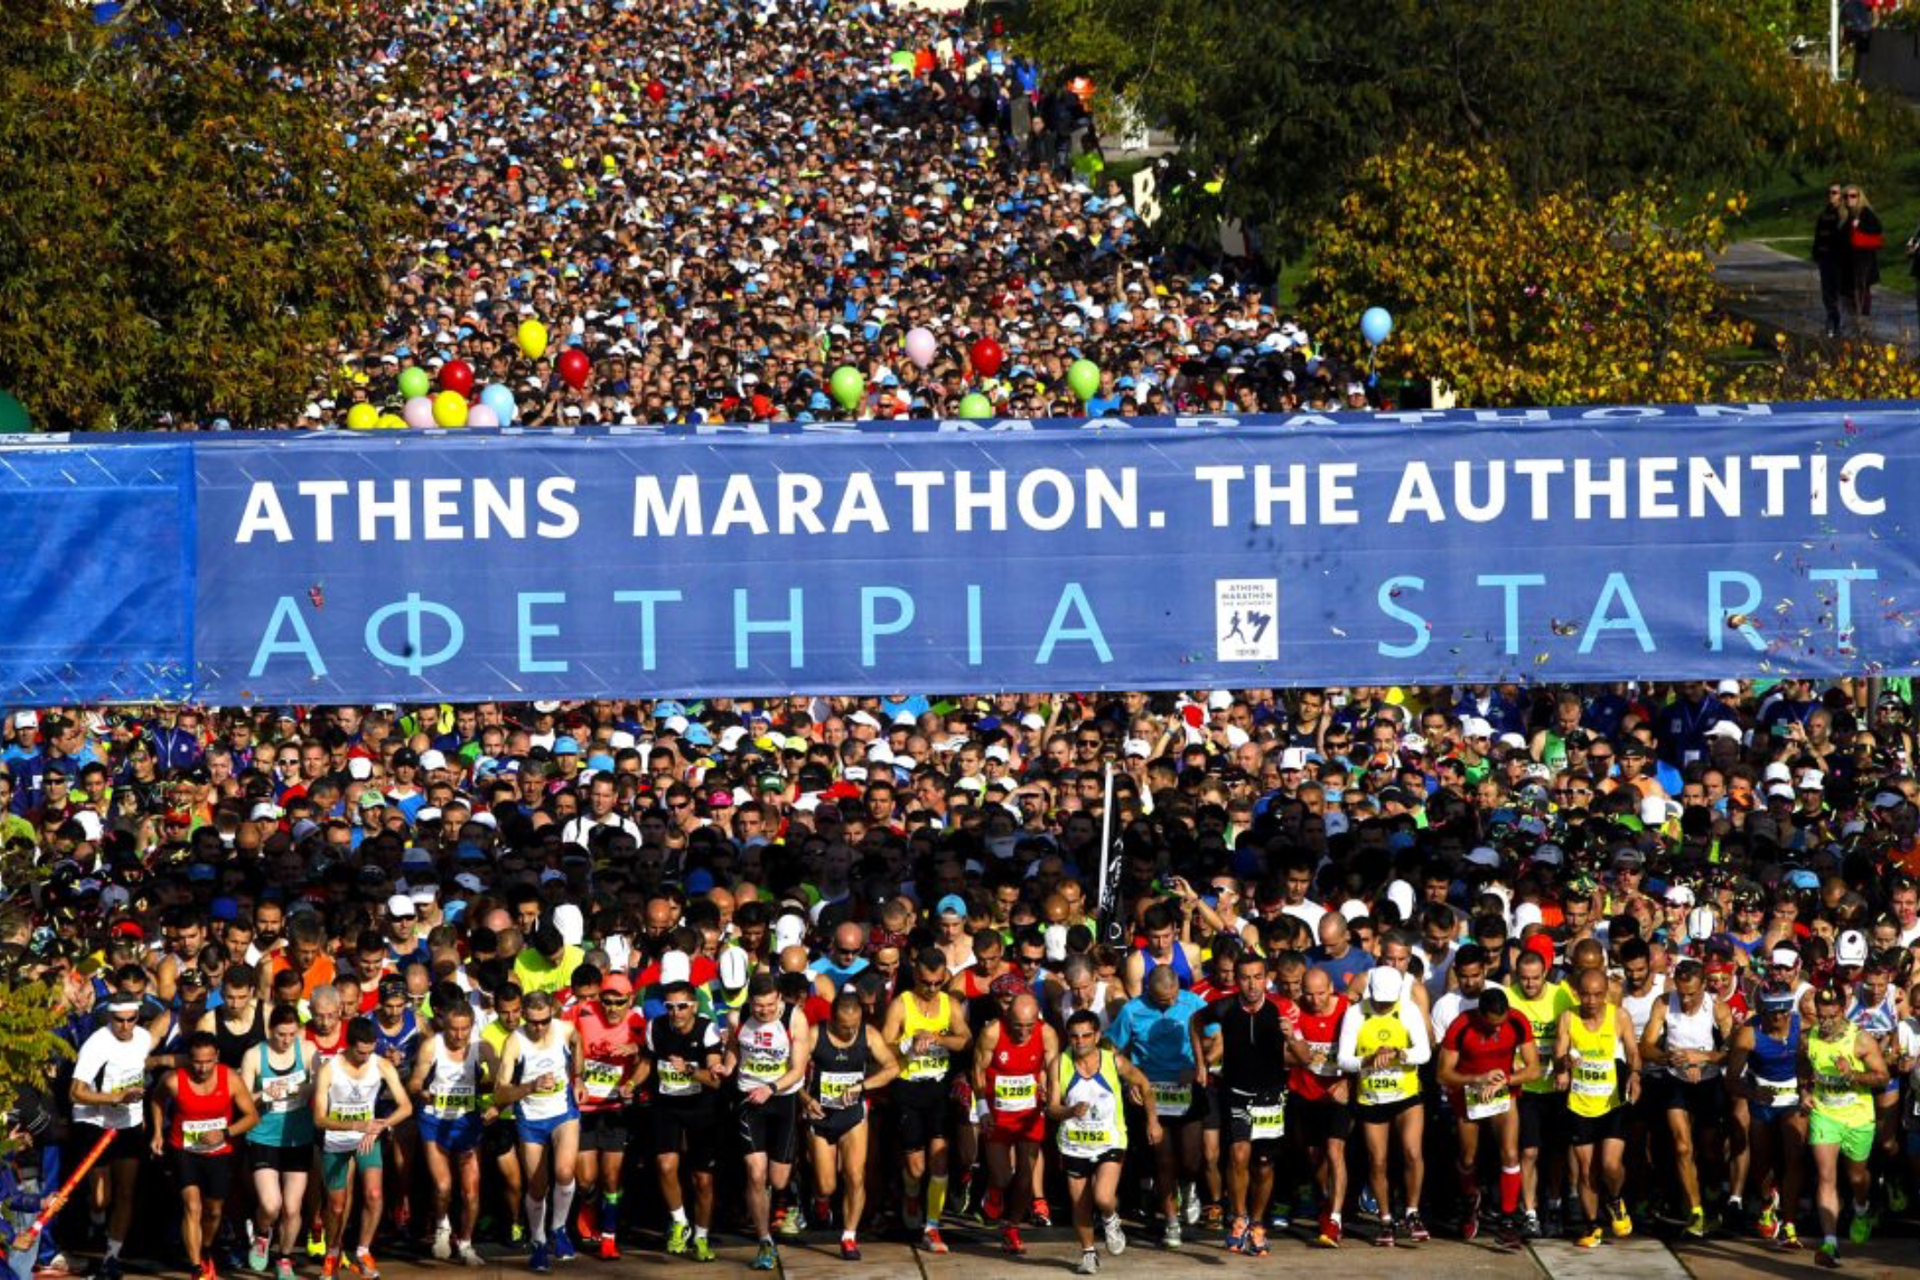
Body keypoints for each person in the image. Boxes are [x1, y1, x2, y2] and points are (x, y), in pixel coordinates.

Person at [1193, 951, 1303, 1257]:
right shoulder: (1225, 1007)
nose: (1252, 984)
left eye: (1258, 977)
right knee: (1239, 1154)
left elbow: (1305, 1058)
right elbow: (1195, 1020)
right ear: (1237, 980)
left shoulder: (1281, 1010)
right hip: (1237, 1093)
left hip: (1271, 1097)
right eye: (1245, 978)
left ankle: (1257, 1223)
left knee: (1264, 1165)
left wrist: (1292, 1038)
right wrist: (1201, 1063)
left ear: (1267, 979)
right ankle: (1238, 1218)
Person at [1049, 1009, 1160, 1276]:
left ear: (1098, 1035)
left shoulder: (1113, 1061)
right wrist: (1069, 1111)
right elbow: (1051, 1108)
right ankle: (1089, 1253)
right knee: (1080, 1205)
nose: (1080, 1041)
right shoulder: (1059, 1063)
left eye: (1086, 1035)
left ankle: (1111, 1218)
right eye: (1074, 1036)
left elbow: (1144, 1084)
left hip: (1110, 1140)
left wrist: (1152, 1120)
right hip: (1074, 1144)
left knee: (1102, 1196)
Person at [880, 946, 971, 1253]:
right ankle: (909, 1192)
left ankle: (932, 1227)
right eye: (925, 983)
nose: (931, 989)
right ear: (915, 977)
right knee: (917, 1169)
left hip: (938, 1089)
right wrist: (908, 1043)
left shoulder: (949, 1004)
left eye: (937, 983)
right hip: (908, 1088)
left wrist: (939, 1039)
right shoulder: (901, 1005)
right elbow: (882, 1047)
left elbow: (965, 1040)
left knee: (940, 1159)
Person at [1107, 964, 1206, 1247]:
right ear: (1148, 989)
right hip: (1152, 1093)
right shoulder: (1131, 1010)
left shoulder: (1195, 1003)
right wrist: (1129, 1083)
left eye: (1174, 997)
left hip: (1186, 1089)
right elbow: (1111, 1048)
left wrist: (1200, 1066)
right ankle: (1172, 1222)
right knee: (1163, 1162)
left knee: (1190, 1160)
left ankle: (1189, 1188)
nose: (1170, 1004)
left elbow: (1216, 1038)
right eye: (1163, 1000)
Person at [149, 1031, 260, 1280]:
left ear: (217, 1057)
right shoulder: (173, 1080)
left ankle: (206, 1249)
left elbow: (252, 1117)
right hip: (183, 1150)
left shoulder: (230, 1079)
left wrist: (224, 1133)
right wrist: (157, 1132)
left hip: (219, 1152)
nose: (202, 1067)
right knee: (192, 1205)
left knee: (214, 1211)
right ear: (190, 1059)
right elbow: (157, 1100)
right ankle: (196, 1268)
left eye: (208, 1061)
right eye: (197, 1061)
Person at [1338, 964, 1434, 1246]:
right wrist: (1367, 1060)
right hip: (1372, 1096)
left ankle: (1413, 1212)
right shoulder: (1356, 1013)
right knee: (1377, 1161)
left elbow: (1425, 1052)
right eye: (1379, 1001)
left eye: (1388, 1001)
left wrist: (1398, 1053)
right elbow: (1343, 1058)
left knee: (1412, 1151)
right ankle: (1385, 1219)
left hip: (1405, 1094)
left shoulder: (1408, 1010)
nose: (1383, 1006)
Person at [1639, 957, 1735, 1238]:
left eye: (1692, 994)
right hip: (1676, 1081)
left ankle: (1713, 1193)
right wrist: (1671, 1057)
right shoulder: (1664, 1003)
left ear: (1704, 986)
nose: (1686, 999)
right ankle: (1695, 1211)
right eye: (1682, 993)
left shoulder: (1717, 1008)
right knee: (1682, 1147)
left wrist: (1702, 1057)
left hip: (1708, 1083)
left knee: (1710, 1150)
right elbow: (1645, 1047)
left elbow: (1732, 1050)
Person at [1436, 986, 1537, 1246]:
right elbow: (1442, 1074)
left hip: (1503, 1093)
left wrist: (1507, 1081)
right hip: (1468, 1095)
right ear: (1480, 1014)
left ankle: (1507, 1220)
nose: (1497, 1031)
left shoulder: (1517, 1021)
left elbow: (1534, 1069)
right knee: (1468, 1158)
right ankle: (1471, 1201)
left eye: (1501, 1025)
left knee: (1511, 1153)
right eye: (1492, 1025)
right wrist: (1476, 1079)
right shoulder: (1461, 1026)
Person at [802, 989, 899, 1260]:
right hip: (820, 1116)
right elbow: (793, 1071)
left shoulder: (868, 1035)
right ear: (832, 1019)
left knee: (856, 1176)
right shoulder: (814, 1034)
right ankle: (820, 1200)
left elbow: (892, 1068)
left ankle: (848, 1236)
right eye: (844, 1027)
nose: (849, 1032)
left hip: (852, 1116)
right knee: (827, 1186)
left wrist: (862, 1087)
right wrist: (805, 1099)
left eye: (854, 1026)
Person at [312, 1017, 411, 1280]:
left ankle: (363, 1250)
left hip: (368, 1139)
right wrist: (356, 1124)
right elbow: (319, 1118)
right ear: (349, 1045)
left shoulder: (381, 1064)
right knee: (335, 1207)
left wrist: (382, 1125)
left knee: (374, 1194)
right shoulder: (329, 1069)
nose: (366, 1057)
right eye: (361, 1052)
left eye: (370, 1051)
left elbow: (405, 1106)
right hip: (335, 1141)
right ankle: (332, 1253)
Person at [725, 973, 812, 1272]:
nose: (764, 1011)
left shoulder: (794, 1018)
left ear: (779, 999)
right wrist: (725, 1066)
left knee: (778, 1179)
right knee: (755, 1172)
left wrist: (771, 1088)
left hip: (782, 1098)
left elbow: (798, 1070)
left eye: (770, 1005)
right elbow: (734, 1049)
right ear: (750, 1001)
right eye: (758, 1006)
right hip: (749, 1099)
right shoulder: (738, 1017)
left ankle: (793, 1195)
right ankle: (764, 1240)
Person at [1801, 983, 1891, 1268]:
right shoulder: (1808, 1038)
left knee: (1855, 1177)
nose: (1825, 1022)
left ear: (1842, 1010)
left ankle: (1862, 1208)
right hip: (1824, 1114)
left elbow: (1883, 1077)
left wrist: (1853, 1075)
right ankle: (1830, 1242)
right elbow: (1802, 1066)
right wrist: (1804, 1092)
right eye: (1821, 1016)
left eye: (1831, 1016)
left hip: (1858, 1117)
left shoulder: (1861, 1040)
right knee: (1827, 1176)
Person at [492, 990, 581, 1273]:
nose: (539, 1027)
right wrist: (530, 1086)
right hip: (530, 1118)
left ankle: (559, 1229)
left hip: (563, 1113)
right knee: (537, 1186)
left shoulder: (565, 1029)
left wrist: (579, 1078)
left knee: (565, 1171)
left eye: (544, 1021)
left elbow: (579, 1044)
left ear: (551, 1015)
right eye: (533, 1022)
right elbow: (499, 1094)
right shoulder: (514, 1042)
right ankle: (539, 1241)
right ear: (523, 1017)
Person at [68, 994, 154, 1280]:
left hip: (128, 1123)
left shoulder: (142, 1037)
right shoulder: (96, 1044)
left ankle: (112, 1256)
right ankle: (95, 1221)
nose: (126, 1026)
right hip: (94, 1121)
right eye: (120, 1020)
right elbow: (75, 1092)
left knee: (126, 1191)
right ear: (109, 1018)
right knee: (102, 1197)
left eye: (132, 1019)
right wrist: (115, 1098)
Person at [1553, 967, 1640, 1250]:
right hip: (1580, 1104)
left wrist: (1635, 1075)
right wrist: (1564, 1065)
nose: (1590, 1001)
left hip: (1611, 1102)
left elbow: (1633, 1052)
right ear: (1577, 993)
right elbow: (1558, 1058)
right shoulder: (1569, 1018)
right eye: (1585, 995)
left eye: (1597, 995)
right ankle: (1592, 1227)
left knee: (1610, 1165)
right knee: (1586, 1169)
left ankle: (1615, 1200)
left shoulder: (1619, 1017)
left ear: (1606, 994)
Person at [406, 998, 493, 1266]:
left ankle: (466, 1243)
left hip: (467, 1122)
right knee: (443, 1186)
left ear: (472, 1026)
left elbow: (501, 1081)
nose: (458, 1035)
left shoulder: (482, 1047)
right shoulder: (433, 1046)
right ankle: (443, 1226)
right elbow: (414, 1083)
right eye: (453, 1029)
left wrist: (496, 1104)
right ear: (444, 1025)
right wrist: (423, 1092)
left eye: (464, 1029)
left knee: (471, 1191)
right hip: (434, 1120)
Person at [972, 989, 1057, 1255]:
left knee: (1025, 1176)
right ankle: (994, 1191)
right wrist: (982, 1108)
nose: (1023, 1032)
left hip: (1030, 1113)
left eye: (1029, 1026)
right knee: (1002, 1175)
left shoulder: (1046, 1033)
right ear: (1008, 1017)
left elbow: (1053, 1069)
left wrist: (1049, 1095)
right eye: (1018, 1026)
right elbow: (977, 1071)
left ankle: (1012, 1228)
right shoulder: (993, 1032)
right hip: (998, 1114)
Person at [644, 979, 724, 1262]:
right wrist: (630, 1083)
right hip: (667, 1104)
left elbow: (715, 1080)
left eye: (681, 1006)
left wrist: (690, 1069)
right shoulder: (655, 1027)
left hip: (701, 1107)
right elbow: (647, 1062)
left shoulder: (708, 1030)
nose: (675, 1012)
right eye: (670, 1006)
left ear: (694, 1006)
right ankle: (680, 1222)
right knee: (665, 1164)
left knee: (702, 1179)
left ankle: (701, 1237)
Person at [567, 973, 645, 1258]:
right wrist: (576, 1077)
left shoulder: (637, 1022)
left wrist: (634, 1055)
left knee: (611, 1176)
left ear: (631, 1000)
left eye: (619, 1003)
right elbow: (562, 1038)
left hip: (614, 1110)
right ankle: (588, 1205)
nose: (612, 1008)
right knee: (586, 1179)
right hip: (585, 1109)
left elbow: (648, 1059)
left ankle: (609, 1237)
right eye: (607, 1002)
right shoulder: (583, 1013)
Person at [241, 1004, 317, 1280]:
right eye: (281, 1034)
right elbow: (243, 1099)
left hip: (298, 1137)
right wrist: (266, 1093)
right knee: (271, 1205)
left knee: (293, 1207)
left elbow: (321, 1084)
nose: (286, 1041)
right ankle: (262, 1235)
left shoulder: (307, 1051)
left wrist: (296, 1087)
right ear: (270, 1030)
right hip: (264, 1136)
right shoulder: (254, 1056)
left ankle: (284, 1258)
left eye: (291, 1034)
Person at [1727, 987, 1806, 1250]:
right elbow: (1731, 1079)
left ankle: (1790, 1224)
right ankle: (1766, 1200)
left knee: (1794, 1155)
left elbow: (1814, 1059)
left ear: (1790, 1010)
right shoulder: (1749, 1033)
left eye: (1783, 1011)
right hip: (1763, 1098)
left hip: (1792, 1098)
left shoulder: (1802, 1026)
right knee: (1762, 1162)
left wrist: (1807, 1086)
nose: (1778, 1017)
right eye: (1772, 1012)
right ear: (1763, 1012)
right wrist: (1753, 1092)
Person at [1843, 185, 1883, 322]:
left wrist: (1859, 225)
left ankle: (1863, 320)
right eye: (1846, 196)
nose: (1849, 199)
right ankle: (1856, 319)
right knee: (1851, 291)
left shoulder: (1865, 212)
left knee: (1861, 289)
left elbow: (1877, 228)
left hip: (1863, 259)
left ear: (1860, 198)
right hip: (1849, 260)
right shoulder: (1847, 213)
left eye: (1853, 196)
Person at [1815, 182, 1848, 336]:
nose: (1831, 195)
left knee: (1837, 293)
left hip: (1838, 260)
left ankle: (1838, 324)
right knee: (1827, 293)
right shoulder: (1824, 213)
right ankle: (1831, 320)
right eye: (1829, 192)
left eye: (1834, 192)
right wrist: (1816, 252)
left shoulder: (1843, 214)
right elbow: (1819, 235)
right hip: (1824, 258)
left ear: (1840, 195)